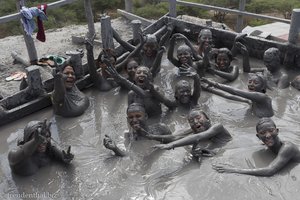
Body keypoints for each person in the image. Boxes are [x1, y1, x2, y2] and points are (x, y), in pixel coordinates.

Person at [212, 118, 300, 176]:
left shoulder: (288, 148)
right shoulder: (268, 143)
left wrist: (233, 170)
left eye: (271, 131)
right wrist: (215, 151)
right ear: (258, 137)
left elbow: (269, 171)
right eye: (263, 133)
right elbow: (237, 144)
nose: (268, 135)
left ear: (277, 131)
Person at [152, 108, 232, 161]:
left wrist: (171, 145)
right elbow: (175, 137)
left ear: (207, 118)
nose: (195, 122)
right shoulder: (195, 135)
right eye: (191, 121)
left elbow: (197, 137)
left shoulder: (218, 127)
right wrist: (194, 153)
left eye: (198, 118)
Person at [104, 60, 176, 117]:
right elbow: (129, 114)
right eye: (138, 73)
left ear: (150, 78)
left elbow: (170, 105)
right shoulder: (131, 94)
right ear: (134, 78)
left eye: (145, 73)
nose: (141, 74)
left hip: (158, 118)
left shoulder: (155, 89)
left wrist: (123, 80)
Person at [8, 119, 74, 176]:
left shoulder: (49, 147)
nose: (44, 141)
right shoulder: (14, 156)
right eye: (38, 138)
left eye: (46, 136)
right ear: (27, 139)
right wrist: (35, 142)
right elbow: (22, 153)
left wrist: (66, 159)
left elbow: (62, 155)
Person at [103, 103, 172, 156]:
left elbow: (174, 142)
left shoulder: (161, 128)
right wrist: (115, 149)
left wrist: (149, 136)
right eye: (131, 117)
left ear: (146, 116)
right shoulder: (129, 135)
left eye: (138, 116)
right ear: (127, 119)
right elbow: (128, 155)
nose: (134, 120)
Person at [201, 73, 274, 118]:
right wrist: (209, 89)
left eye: (256, 83)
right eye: (250, 82)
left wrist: (213, 83)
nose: (251, 84)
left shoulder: (262, 97)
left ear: (262, 87)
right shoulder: (252, 100)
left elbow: (234, 91)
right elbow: (229, 96)